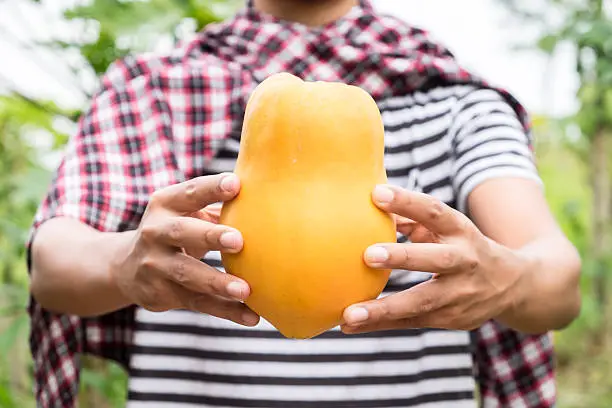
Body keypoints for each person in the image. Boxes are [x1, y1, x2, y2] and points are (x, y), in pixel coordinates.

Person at [27, 0, 581, 406]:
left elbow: (557, 280)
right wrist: (123, 263)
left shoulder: (458, 105)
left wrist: (508, 276)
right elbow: (53, 263)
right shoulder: (150, 90)